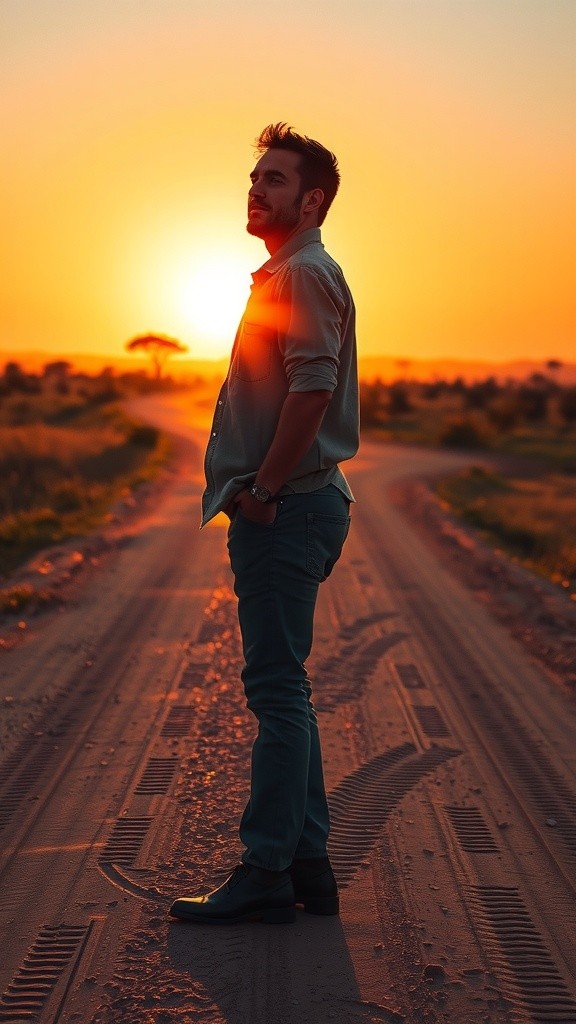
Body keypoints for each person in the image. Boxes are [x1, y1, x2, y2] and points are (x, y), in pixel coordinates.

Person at [170, 123, 359, 925]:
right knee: (289, 689)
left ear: (312, 199)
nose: (257, 189)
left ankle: (266, 869)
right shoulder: (286, 273)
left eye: (274, 180)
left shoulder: (303, 275)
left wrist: (264, 491)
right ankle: (308, 864)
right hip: (296, 503)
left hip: (287, 507)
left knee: (276, 691)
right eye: (254, 177)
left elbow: (311, 389)